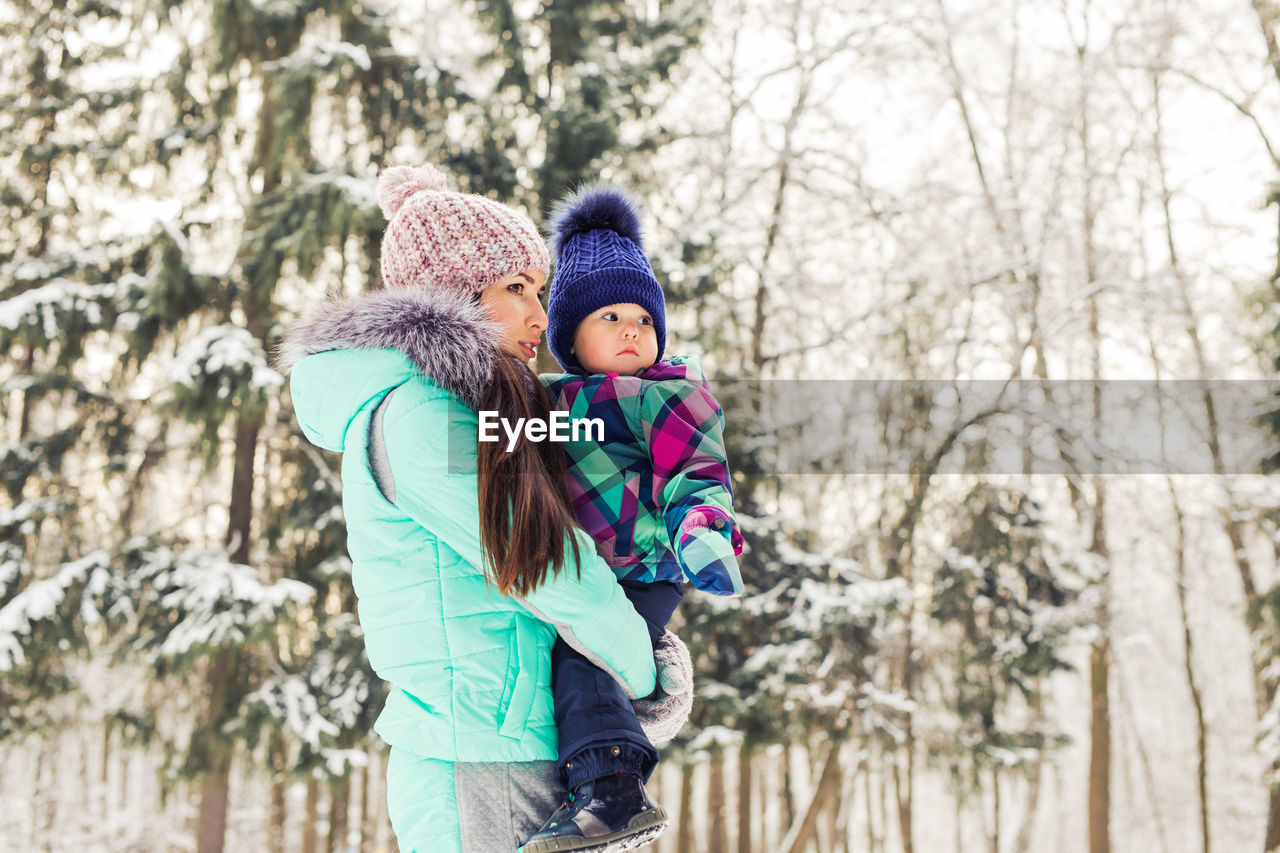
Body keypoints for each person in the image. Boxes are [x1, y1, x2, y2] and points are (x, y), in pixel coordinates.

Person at [278, 164, 668, 853]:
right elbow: (546, 562)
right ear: (452, 294)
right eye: (515, 289)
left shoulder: (469, 410)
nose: (539, 316)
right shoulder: (420, 414)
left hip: (514, 749)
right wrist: (645, 671)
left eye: (539, 291)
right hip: (479, 763)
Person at [520, 185, 744, 852]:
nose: (630, 329)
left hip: (645, 567)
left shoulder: (669, 397)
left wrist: (702, 531)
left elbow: (697, 474)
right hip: (577, 567)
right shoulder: (550, 401)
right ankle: (587, 788)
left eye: (642, 319)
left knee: (586, 655)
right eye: (609, 316)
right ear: (570, 338)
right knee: (561, 661)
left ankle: (614, 792)